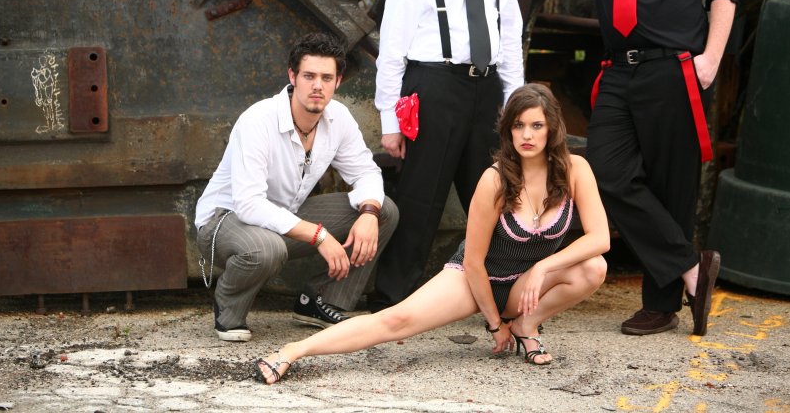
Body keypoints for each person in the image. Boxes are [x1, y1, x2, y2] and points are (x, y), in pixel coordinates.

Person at [531, 0, 745, 336]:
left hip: (675, 68)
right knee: (606, 171)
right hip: (619, 71)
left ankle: (661, 304)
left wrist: (710, 60)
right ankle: (691, 267)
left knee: (672, 188)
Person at [253, 83, 610, 383]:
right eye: (518, 126)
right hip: (475, 279)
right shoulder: (495, 179)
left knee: (594, 267)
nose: (527, 135)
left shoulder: (575, 169)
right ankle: (293, 351)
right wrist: (493, 324)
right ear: (508, 130)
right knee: (396, 320)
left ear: (552, 128)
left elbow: (600, 239)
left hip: (524, 286)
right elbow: (474, 263)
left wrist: (543, 268)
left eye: (536, 125)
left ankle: (526, 325)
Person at [371, 0, 525, 312]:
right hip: (434, 85)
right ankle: (392, 303)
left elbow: (510, 35)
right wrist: (389, 120)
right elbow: (392, 46)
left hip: (488, 88)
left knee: (494, 196)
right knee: (420, 198)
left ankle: (500, 297)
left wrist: (515, 103)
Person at [194, 32, 398, 341]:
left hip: (283, 216)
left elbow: (366, 172)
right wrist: (319, 235)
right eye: (309, 76)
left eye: (326, 78)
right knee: (267, 248)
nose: (318, 86)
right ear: (293, 77)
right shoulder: (258, 120)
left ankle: (321, 301)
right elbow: (249, 204)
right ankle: (229, 308)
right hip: (224, 222)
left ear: (338, 81)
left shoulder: (338, 118)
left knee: (383, 211)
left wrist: (369, 213)